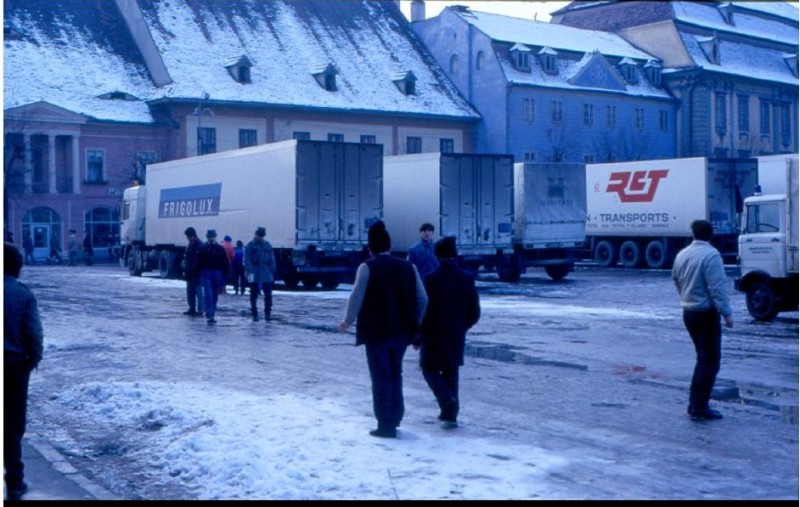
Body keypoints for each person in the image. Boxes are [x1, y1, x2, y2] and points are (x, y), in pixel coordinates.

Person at [338, 220, 428, 439]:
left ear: (371, 248)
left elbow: (356, 297)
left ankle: (385, 425)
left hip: (376, 332)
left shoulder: (367, 267)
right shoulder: (409, 267)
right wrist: (417, 326)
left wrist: (347, 321)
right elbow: (422, 299)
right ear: (389, 246)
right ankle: (396, 417)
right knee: (396, 372)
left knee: (380, 376)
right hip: (402, 333)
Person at [413, 236, 480, 430]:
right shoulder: (467, 279)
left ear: (438, 256)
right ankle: (450, 415)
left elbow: (423, 310)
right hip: (456, 333)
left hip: (433, 334)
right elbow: (475, 312)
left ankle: (446, 399)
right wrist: (462, 326)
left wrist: (418, 336)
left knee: (428, 369)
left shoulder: (430, 280)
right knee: (451, 371)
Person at [671, 219, 733, 422]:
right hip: (705, 313)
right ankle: (699, 407)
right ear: (711, 234)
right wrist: (726, 313)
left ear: (693, 234)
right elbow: (717, 287)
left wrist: (685, 297)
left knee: (702, 359)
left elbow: (676, 278)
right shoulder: (711, 255)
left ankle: (695, 404)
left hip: (688, 312)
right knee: (710, 361)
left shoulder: (682, 254)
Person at [4, 242, 44, 501]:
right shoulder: (22, 294)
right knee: (12, 425)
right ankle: (15, 483)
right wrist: (32, 360)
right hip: (13, 367)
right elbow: (34, 334)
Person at [197, 229, 230, 325]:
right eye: (209, 237)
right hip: (207, 272)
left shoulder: (219, 248)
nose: (211, 238)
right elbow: (198, 262)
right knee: (209, 293)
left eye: (212, 236)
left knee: (214, 294)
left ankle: (211, 311)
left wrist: (226, 273)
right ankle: (210, 313)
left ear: (214, 237)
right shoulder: (203, 248)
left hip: (216, 272)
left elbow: (225, 262)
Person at [244, 227, 277, 322]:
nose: (260, 238)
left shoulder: (267, 245)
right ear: (256, 235)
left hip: (266, 272)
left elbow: (271, 258)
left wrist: (272, 270)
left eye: (262, 236)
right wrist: (250, 271)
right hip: (254, 272)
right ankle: (255, 314)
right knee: (253, 295)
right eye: (259, 236)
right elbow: (247, 259)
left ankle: (268, 314)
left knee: (268, 295)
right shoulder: (250, 245)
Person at [182, 227, 204, 317]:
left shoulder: (199, 245)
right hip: (189, 272)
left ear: (192, 236)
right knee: (190, 292)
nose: (187, 238)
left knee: (198, 292)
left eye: (187, 236)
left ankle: (200, 310)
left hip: (197, 272)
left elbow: (200, 260)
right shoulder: (191, 244)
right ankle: (192, 308)